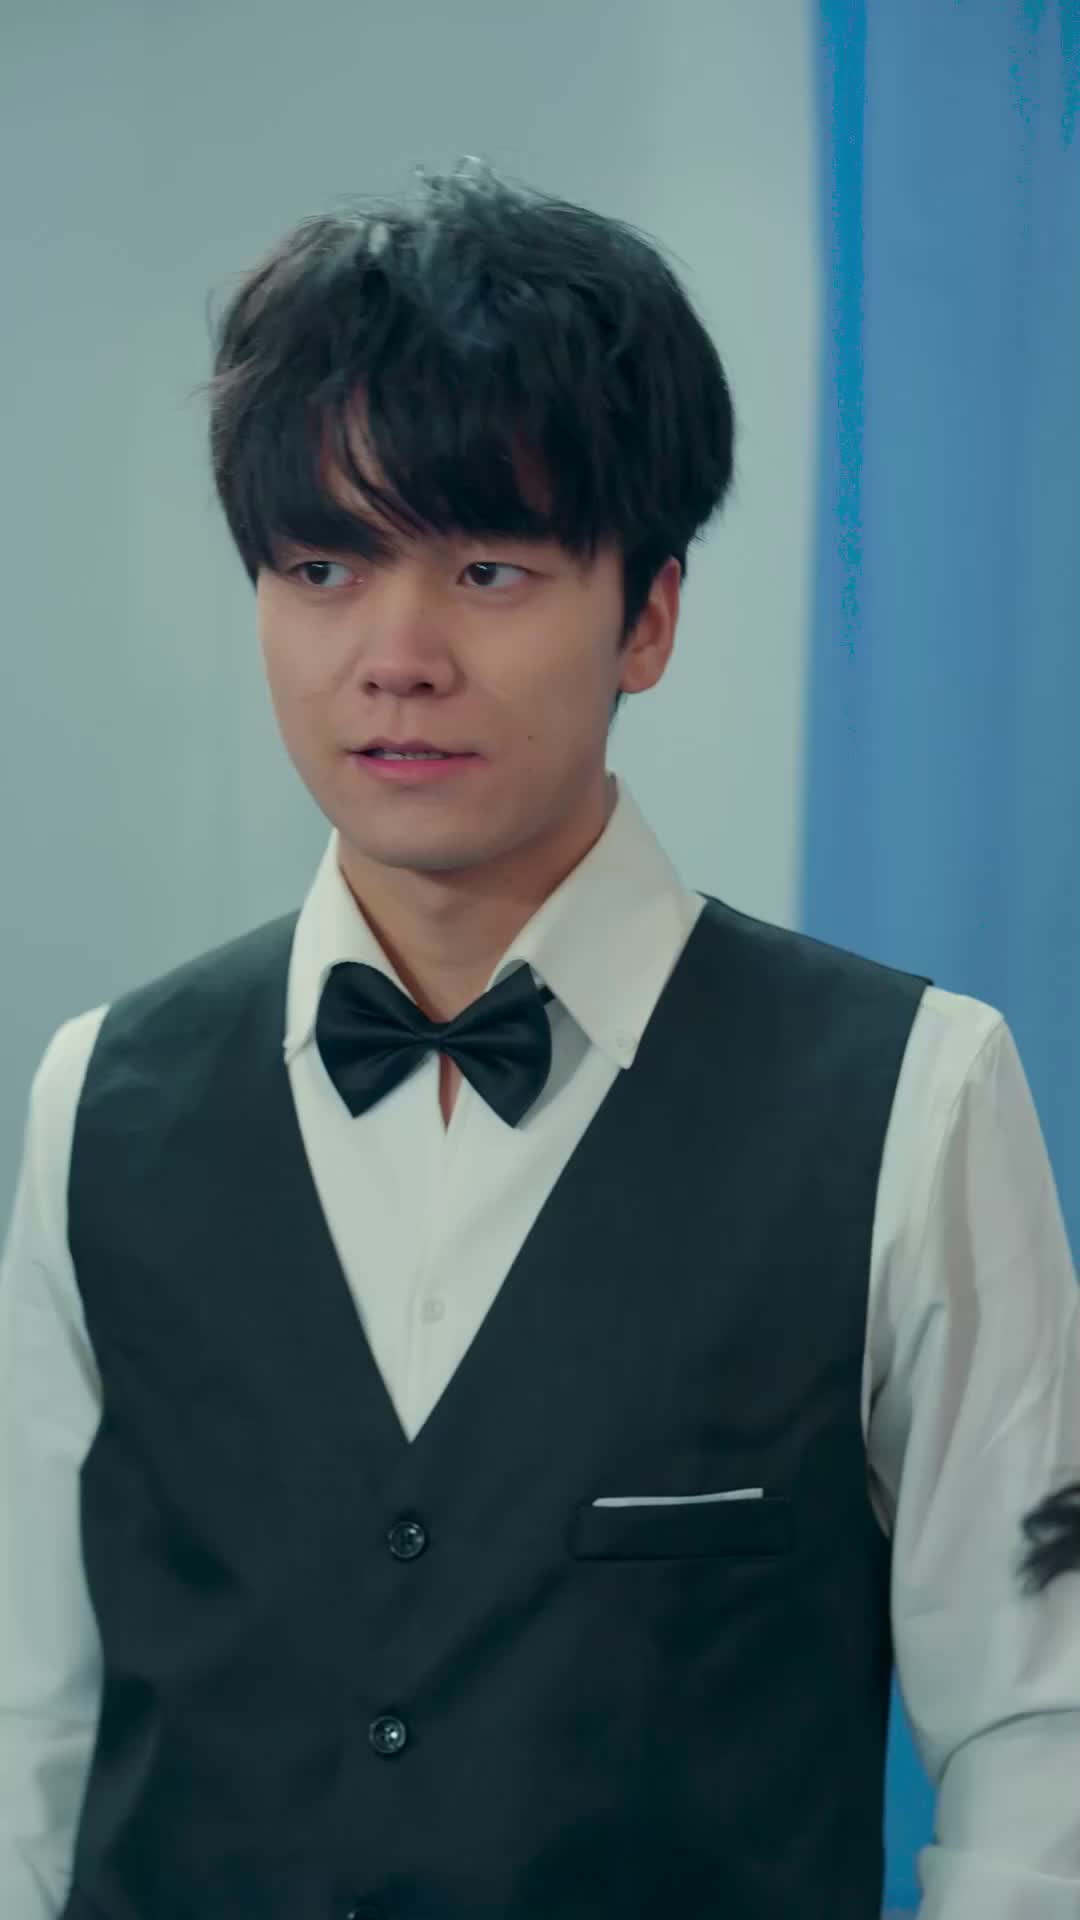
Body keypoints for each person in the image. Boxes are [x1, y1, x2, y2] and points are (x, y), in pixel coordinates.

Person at [1, 156, 1078, 1920]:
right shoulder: (98, 1098)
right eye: (323, 565)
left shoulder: (916, 1095)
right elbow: (27, 1726)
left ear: (648, 614)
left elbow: (1045, 1730)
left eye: (489, 567)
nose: (395, 654)